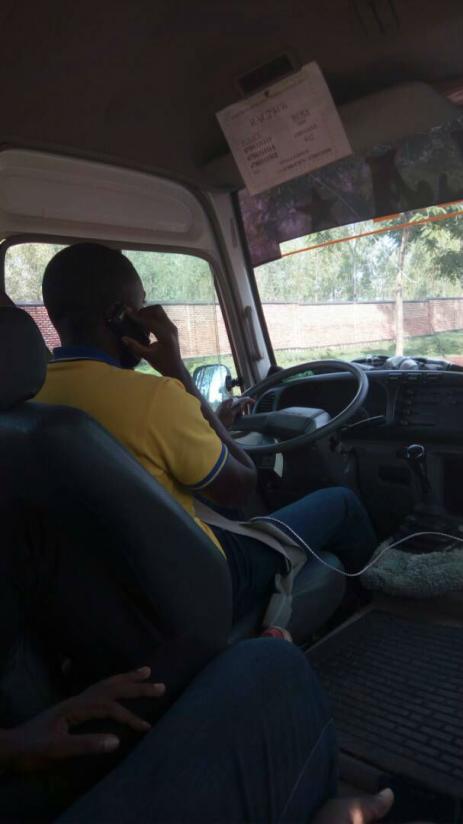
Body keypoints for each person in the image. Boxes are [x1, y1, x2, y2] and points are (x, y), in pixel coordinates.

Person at [35, 243, 377, 626]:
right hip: (203, 581)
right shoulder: (155, 398)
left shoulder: (29, 398)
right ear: (121, 316)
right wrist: (178, 372)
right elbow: (242, 484)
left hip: (106, 594)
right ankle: (376, 622)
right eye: (142, 307)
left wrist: (213, 421)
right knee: (343, 502)